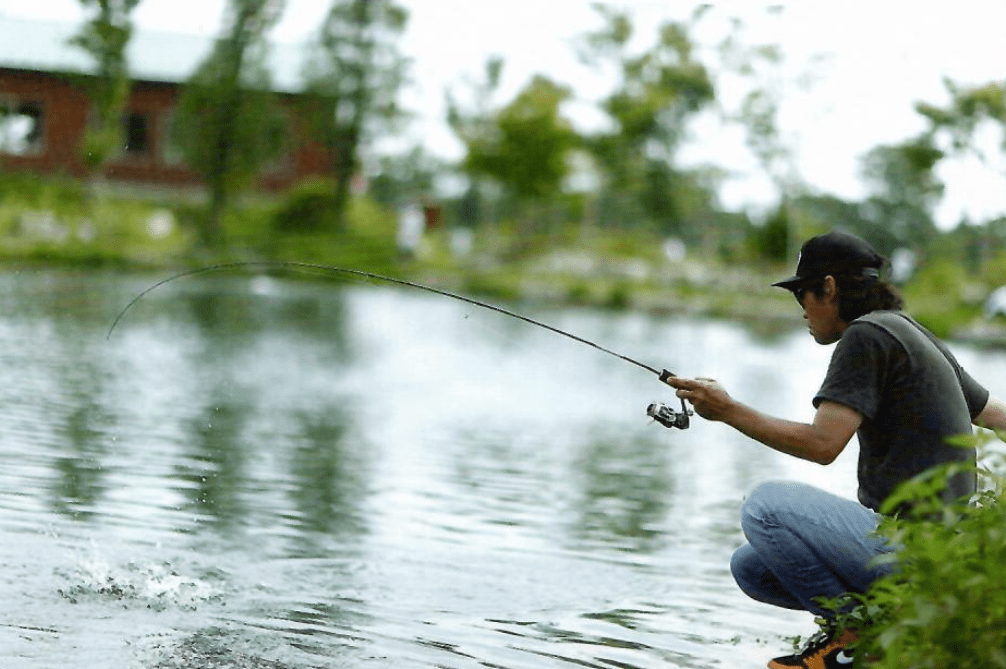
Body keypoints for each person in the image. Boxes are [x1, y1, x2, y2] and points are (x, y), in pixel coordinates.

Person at [664, 230, 1006, 669]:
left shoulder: (865, 336)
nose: (802, 309)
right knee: (751, 566)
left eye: (802, 294)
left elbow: (824, 445)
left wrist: (728, 410)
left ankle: (854, 639)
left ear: (828, 287)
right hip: (944, 556)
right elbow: (993, 414)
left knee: (764, 508)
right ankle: (884, 628)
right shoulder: (909, 331)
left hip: (916, 550)